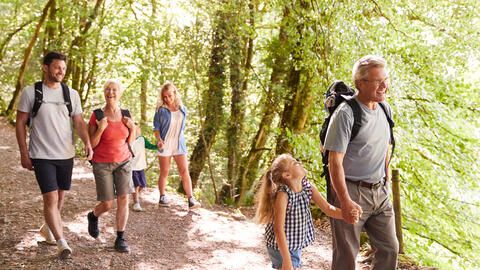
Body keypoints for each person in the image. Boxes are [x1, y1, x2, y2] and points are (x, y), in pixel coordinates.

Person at [15, 51, 93, 259]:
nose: (61, 71)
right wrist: (24, 153)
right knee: (50, 198)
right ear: (45, 67)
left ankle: (47, 228)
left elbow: (78, 122)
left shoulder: (71, 94)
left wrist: (87, 142)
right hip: (41, 154)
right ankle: (62, 243)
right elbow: (21, 123)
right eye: (57, 67)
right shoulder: (32, 93)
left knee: (59, 198)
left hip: (65, 154)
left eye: (64, 68)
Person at [324, 55, 399, 269]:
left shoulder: (385, 109)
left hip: (380, 192)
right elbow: (334, 162)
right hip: (350, 190)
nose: (384, 85)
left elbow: (385, 148)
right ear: (360, 83)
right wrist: (345, 201)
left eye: (386, 79)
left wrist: (385, 183)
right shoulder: (346, 114)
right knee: (346, 255)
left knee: (390, 249)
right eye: (377, 81)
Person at [255, 153, 351, 270]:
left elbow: (327, 209)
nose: (299, 163)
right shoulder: (284, 195)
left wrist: (346, 214)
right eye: (295, 163)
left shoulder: (308, 187)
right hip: (279, 246)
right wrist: (286, 260)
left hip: (294, 244)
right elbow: (278, 229)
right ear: (287, 175)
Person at [86, 79, 135, 253]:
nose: (111, 92)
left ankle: (120, 238)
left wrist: (133, 128)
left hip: (124, 161)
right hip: (102, 163)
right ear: (104, 93)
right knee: (107, 204)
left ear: (119, 93)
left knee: (123, 198)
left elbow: (130, 141)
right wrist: (100, 128)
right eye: (107, 89)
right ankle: (93, 216)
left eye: (114, 90)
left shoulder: (126, 114)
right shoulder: (97, 115)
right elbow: (91, 143)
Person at [153, 82, 201, 209]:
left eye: (169, 95)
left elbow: (182, 128)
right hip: (165, 144)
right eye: (165, 97)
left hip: (179, 144)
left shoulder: (182, 109)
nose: (167, 99)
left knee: (184, 171)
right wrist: (159, 139)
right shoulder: (160, 110)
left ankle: (191, 200)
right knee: (164, 171)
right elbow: (156, 129)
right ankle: (162, 197)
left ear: (174, 93)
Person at [131, 122, 157, 212]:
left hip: (140, 166)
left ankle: (134, 197)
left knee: (142, 185)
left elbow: (150, 146)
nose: (138, 130)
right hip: (132, 167)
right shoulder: (129, 140)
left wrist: (158, 146)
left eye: (138, 129)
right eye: (135, 129)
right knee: (136, 185)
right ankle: (136, 203)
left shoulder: (142, 139)